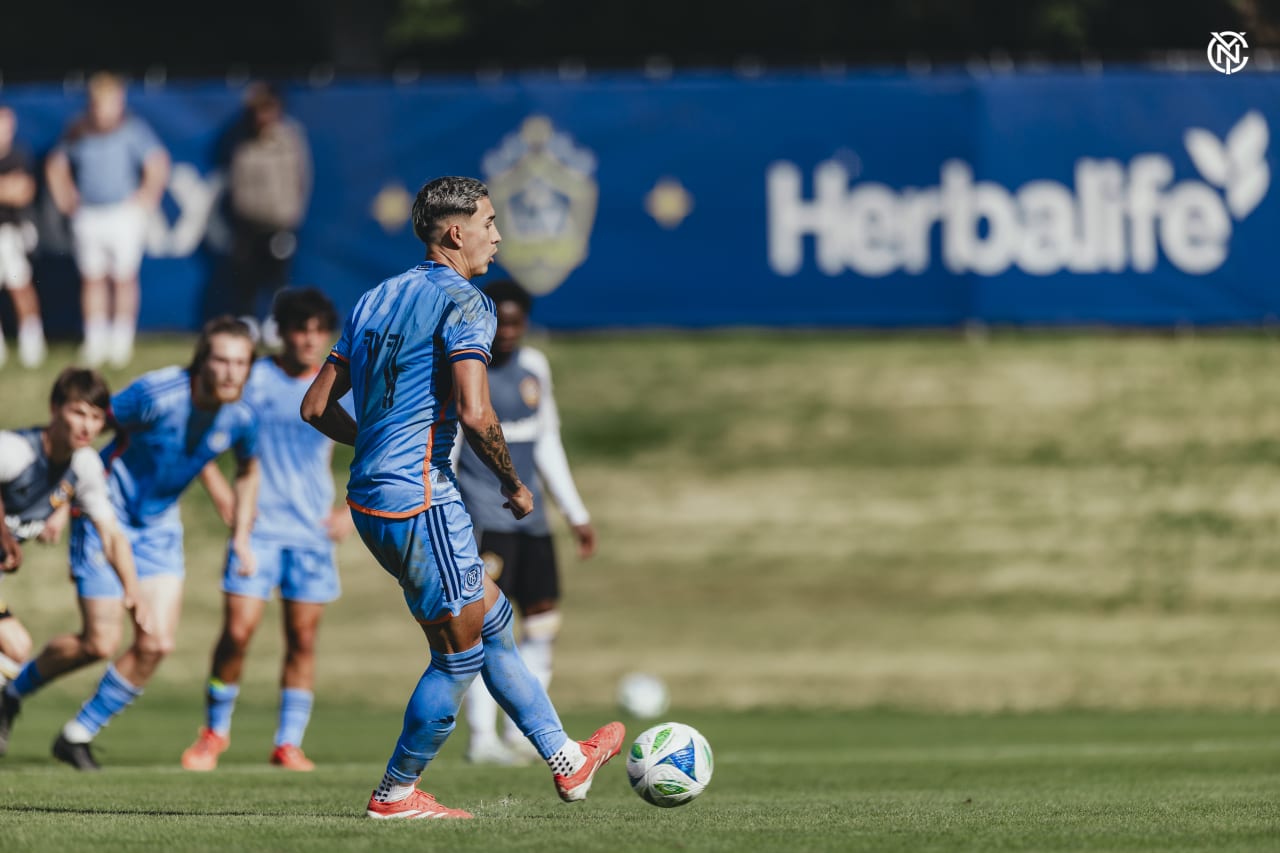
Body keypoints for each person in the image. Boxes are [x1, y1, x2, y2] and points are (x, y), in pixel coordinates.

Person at [301, 175, 623, 820]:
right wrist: (513, 484)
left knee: (495, 617)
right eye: (490, 223)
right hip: (421, 497)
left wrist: (375, 444)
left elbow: (314, 406)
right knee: (457, 653)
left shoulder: (374, 298)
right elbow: (476, 415)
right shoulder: (466, 303)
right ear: (456, 232)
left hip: (374, 494)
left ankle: (566, 758)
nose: (498, 236)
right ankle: (395, 793)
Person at [0, 317, 259, 770]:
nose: (231, 372)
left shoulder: (241, 415)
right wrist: (59, 498)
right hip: (107, 510)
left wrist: (238, 531)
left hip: (160, 528)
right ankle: (13, 696)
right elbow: (85, 425)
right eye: (221, 360)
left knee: (156, 642)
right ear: (202, 360)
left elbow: (247, 469)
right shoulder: (156, 394)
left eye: (241, 362)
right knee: (100, 642)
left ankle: (77, 735)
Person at [181, 288, 351, 773]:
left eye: (319, 329)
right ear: (283, 332)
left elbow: (373, 445)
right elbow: (200, 433)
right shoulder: (253, 378)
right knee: (237, 631)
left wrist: (348, 510)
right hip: (257, 530)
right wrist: (220, 493)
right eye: (301, 328)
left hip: (312, 532)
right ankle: (214, 733)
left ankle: (288, 743)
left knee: (302, 638)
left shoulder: (336, 381)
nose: (310, 338)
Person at [455, 279, 597, 765]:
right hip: (484, 521)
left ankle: (522, 733)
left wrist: (575, 513)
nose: (509, 333)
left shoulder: (536, 368)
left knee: (542, 622)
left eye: (517, 322)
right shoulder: (467, 368)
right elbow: (451, 451)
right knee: (481, 628)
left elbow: (548, 441)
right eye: (502, 322)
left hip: (532, 522)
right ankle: (481, 738)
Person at [0, 368, 146, 759]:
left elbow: (111, 533)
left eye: (97, 417)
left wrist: (133, 591)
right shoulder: (15, 452)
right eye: (79, 413)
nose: (88, 426)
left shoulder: (82, 467)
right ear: (54, 409)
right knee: (14, 646)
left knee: (14, 648)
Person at [46, 72, 170, 368]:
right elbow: (56, 164)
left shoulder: (134, 130)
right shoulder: (78, 131)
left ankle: (120, 341)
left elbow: (157, 161)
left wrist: (146, 197)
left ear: (120, 103)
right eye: (98, 103)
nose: (104, 110)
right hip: (88, 215)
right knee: (92, 279)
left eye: (110, 103)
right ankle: (96, 340)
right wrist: (65, 197)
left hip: (123, 215)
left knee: (123, 278)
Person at [224, 82, 312, 337]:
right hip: (248, 224)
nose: (263, 116)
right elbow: (237, 182)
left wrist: (292, 214)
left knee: (278, 276)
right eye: (257, 110)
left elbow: (301, 178)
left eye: (268, 109)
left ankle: (276, 322)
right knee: (246, 276)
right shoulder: (242, 141)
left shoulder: (290, 138)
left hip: (280, 222)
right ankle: (247, 322)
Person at [0, 106, 47, 369]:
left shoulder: (19, 156)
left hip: (10, 234)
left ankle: (32, 340)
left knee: (20, 287)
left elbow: (22, 192)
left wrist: (10, 188)